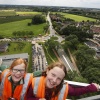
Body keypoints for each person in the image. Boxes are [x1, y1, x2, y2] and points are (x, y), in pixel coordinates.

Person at [26, 61, 100, 100]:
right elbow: (28, 98)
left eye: (59, 79)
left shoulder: (62, 87)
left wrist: (91, 88)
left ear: (62, 80)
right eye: (53, 75)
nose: (54, 80)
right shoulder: (35, 82)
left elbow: (75, 92)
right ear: (48, 71)